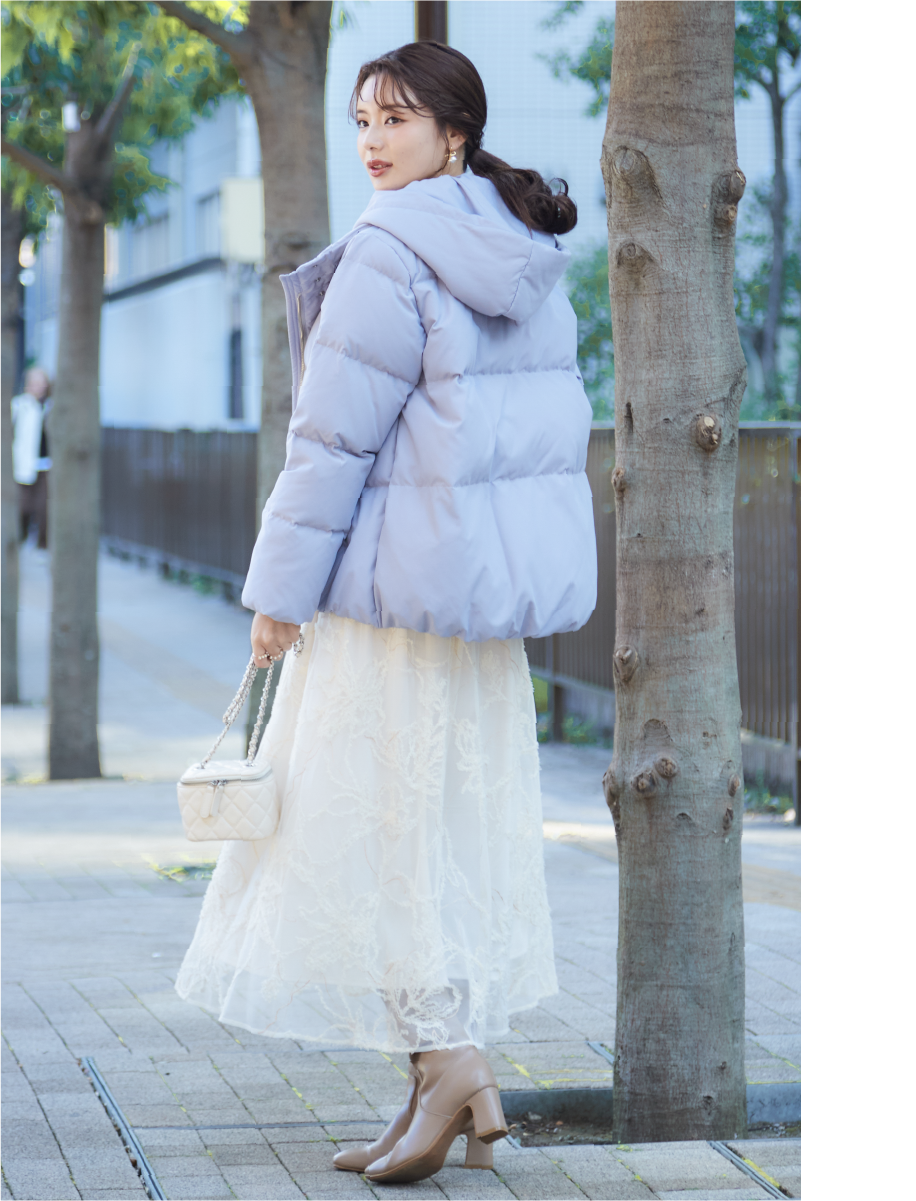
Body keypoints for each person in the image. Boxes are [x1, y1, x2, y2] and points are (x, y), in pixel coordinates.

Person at [176, 41, 597, 1185]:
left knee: (358, 842)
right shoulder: (518, 247)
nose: (369, 140)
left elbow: (330, 444)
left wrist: (276, 596)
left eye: (395, 119)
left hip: (384, 610)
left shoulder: (388, 251)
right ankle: (437, 1086)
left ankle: (449, 1063)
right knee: (427, 845)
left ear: (452, 134)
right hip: (468, 618)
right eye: (361, 118)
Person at [10, 367, 51, 548]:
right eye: (34, 383)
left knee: (44, 506)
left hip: (46, 464)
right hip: (23, 462)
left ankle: (42, 544)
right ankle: (20, 539)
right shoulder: (19, 406)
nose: (38, 387)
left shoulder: (50, 406)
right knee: (23, 505)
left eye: (41, 383)